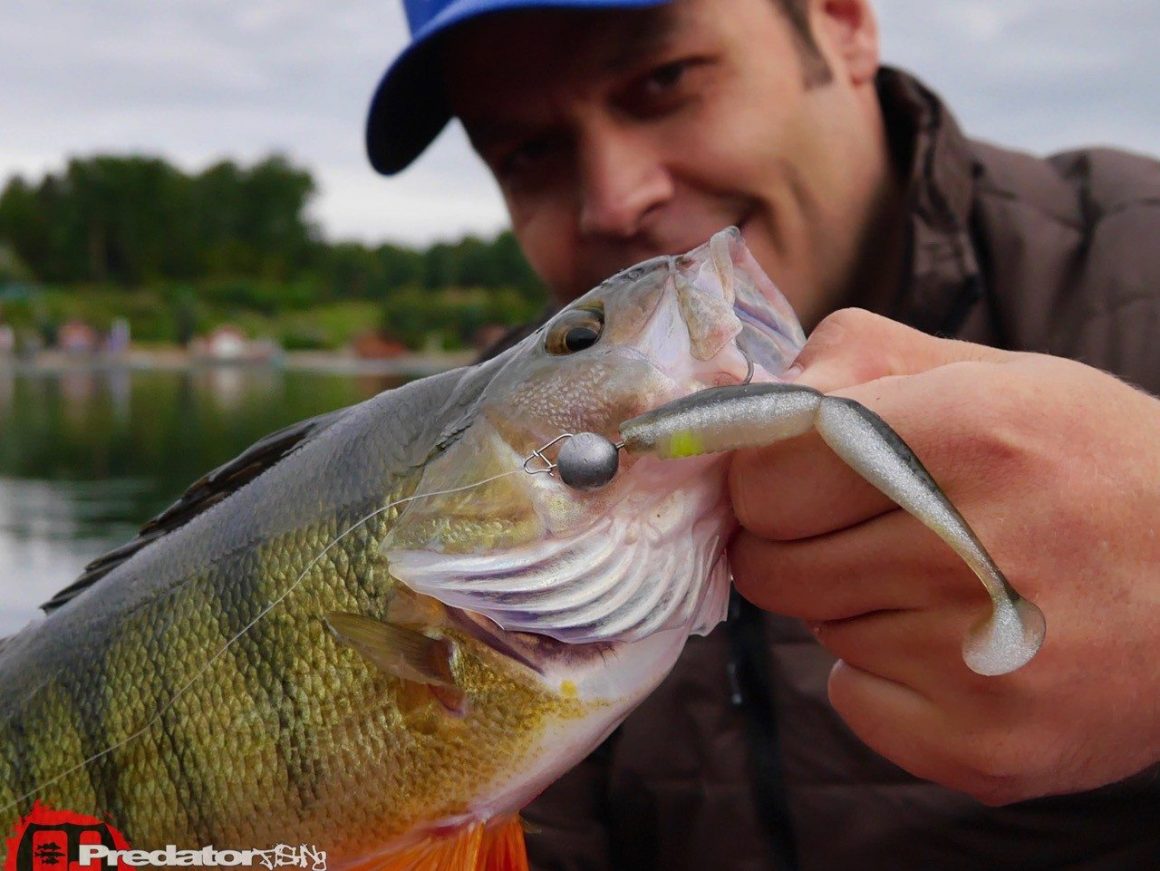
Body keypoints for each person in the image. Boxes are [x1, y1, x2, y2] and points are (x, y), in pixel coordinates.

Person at [365, 0, 1160, 867]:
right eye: (527, 153)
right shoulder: (478, 475)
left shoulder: (1135, 258)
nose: (617, 199)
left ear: (843, 22)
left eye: (663, 83)